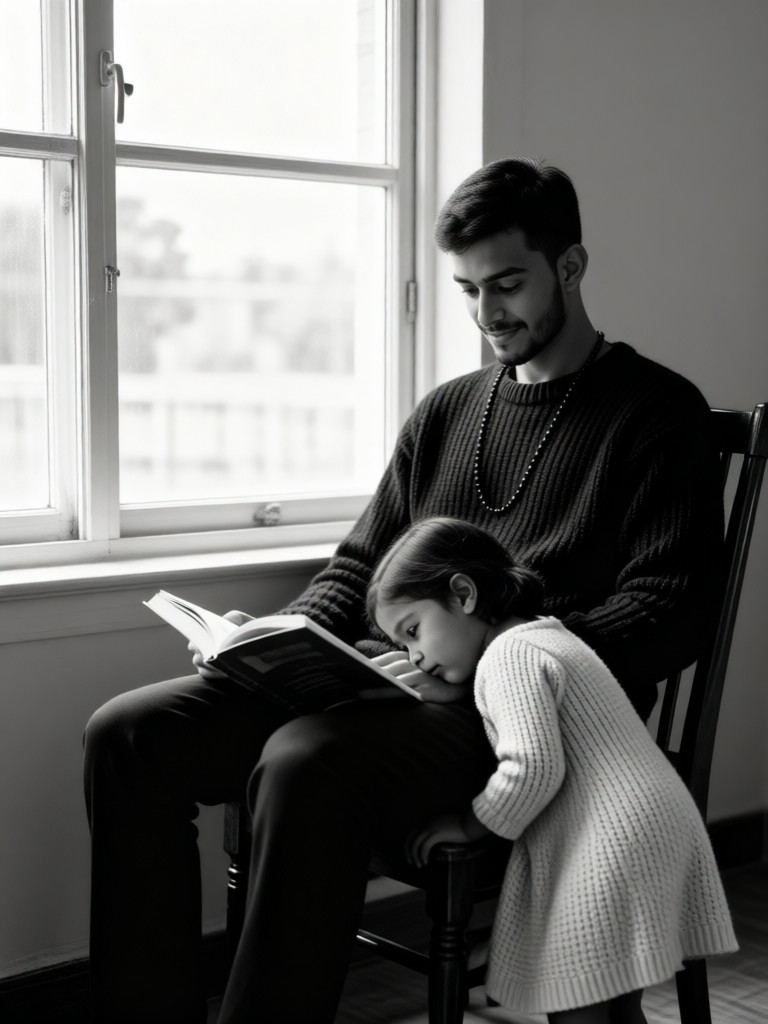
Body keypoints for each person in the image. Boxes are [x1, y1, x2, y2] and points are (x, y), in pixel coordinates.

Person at [83, 158, 724, 1024]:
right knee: (129, 734)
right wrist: (276, 636)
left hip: (529, 710)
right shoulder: (449, 411)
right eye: (466, 289)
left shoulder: (657, 413)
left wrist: (488, 659)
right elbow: (360, 567)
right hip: (402, 678)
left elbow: (670, 608)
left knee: (306, 760)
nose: (487, 314)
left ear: (570, 267)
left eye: (507, 284)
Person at [368, 516, 737, 1024]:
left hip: (609, 840)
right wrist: (459, 688)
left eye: (413, 631)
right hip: (657, 820)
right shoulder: (542, 638)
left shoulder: (507, 657)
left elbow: (532, 768)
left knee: (574, 1001)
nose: (415, 657)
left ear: (463, 594)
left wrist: (468, 824)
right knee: (617, 999)